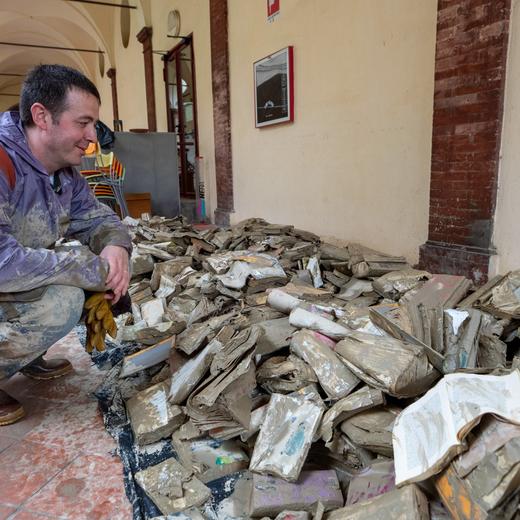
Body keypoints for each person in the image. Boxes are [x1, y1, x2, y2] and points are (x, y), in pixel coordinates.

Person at [0, 64, 132, 426]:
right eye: (83, 123)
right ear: (42, 116)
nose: (92, 137)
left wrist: (115, 249)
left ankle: (24, 356)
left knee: (79, 261)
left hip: (11, 279)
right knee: (64, 299)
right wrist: (93, 272)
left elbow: (100, 219)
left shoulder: (64, 174)